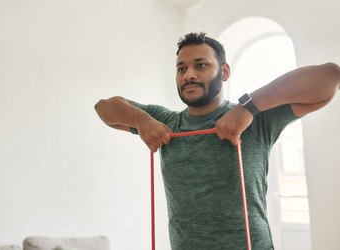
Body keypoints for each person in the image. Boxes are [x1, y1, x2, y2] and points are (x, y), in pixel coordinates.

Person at [94, 32, 340, 250]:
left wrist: (249, 108)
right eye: (181, 68)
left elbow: (329, 77)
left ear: (224, 71)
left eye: (200, 65)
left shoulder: (256, 120)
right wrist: (141, 120)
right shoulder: (164, 122)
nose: (188, 75)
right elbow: (104, 108)